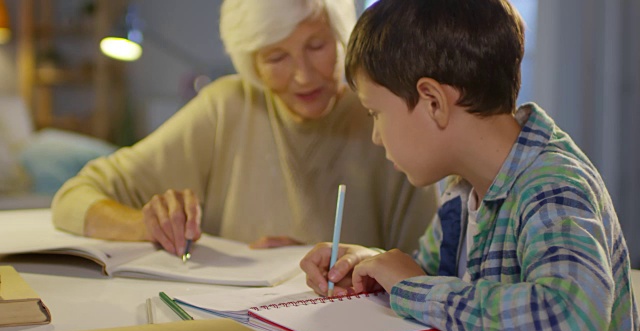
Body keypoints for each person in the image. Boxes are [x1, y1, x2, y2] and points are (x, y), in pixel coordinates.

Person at [299, 0, 639, 331]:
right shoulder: (461, 189)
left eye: (376, 113)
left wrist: (412, 286)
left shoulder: (552, 187)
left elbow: (573, 326)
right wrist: (374, 265)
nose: (376, 136)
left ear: (433, 101)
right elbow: (431, 279)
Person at [51, 0, 438, 258]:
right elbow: (73, 197)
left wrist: (345, 263)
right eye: (277, 57)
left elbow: (431, 269)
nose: (303, 75)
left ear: (341, 36)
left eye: (317, 46)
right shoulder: (227, 106)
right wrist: (146, 225)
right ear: (251, 62)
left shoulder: (386, 115)